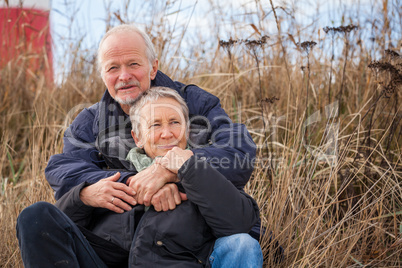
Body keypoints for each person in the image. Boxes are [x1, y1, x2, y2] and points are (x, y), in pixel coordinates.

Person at [16, 87, 263, 267]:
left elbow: (240, 223)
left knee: (244, 243)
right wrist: (82, 197)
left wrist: (183, 169)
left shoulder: (202, 173)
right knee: (35, 215)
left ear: (187, 130)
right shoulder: (111, 175)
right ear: (137, 137)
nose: (167, 133)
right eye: (155, 125)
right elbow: (60, 235)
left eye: (175, 122)